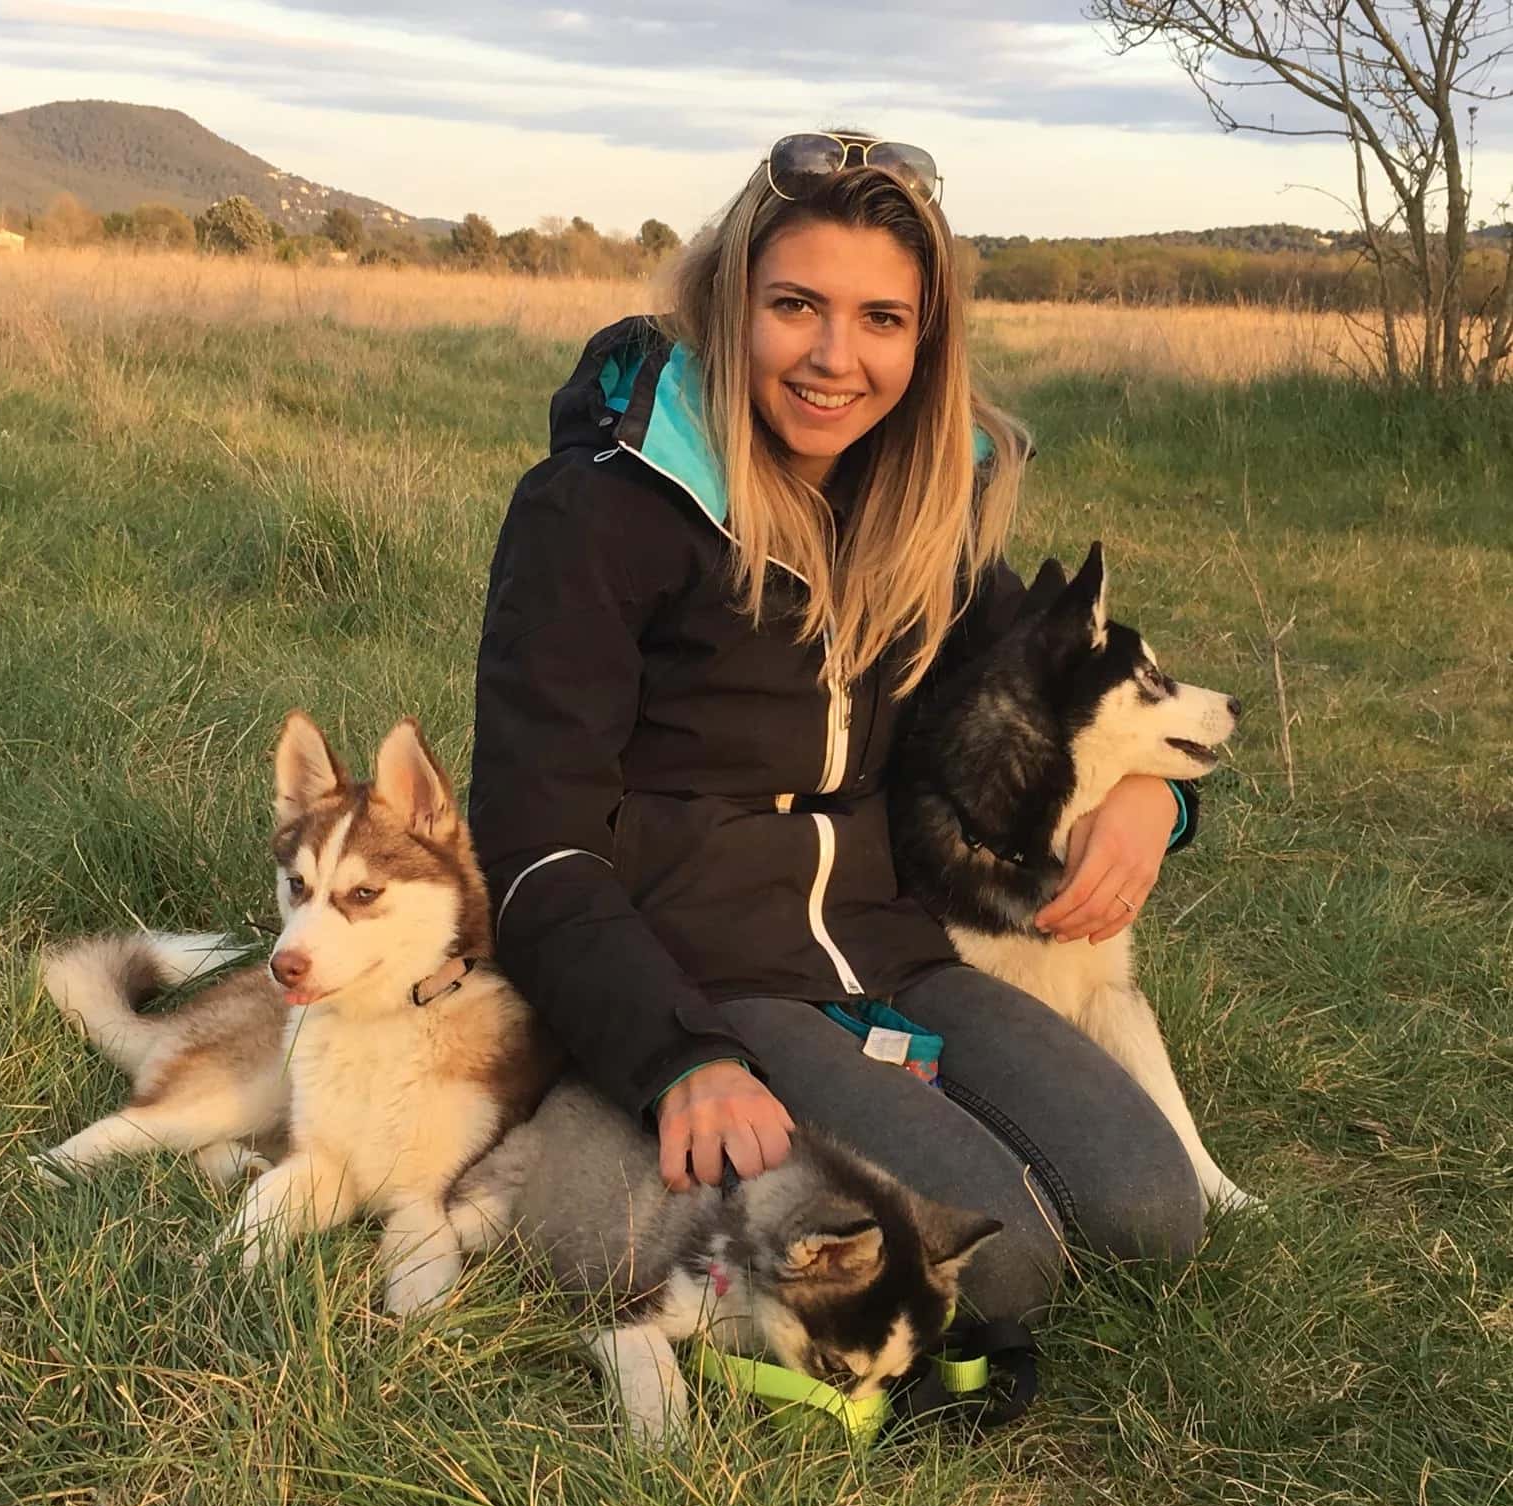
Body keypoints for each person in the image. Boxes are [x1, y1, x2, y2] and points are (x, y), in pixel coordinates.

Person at [468, 132, 1204, 1320]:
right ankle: (592, 1106)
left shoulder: (917, 504)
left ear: (925, 339)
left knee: (1145, 1213)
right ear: (729, 301)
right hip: (693, 961)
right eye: (795, 306)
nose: (833, 357)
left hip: (885, 945)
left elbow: (1043, 694)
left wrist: (1150, 798)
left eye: (880, 319)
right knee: (1001, 1261)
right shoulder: (602, 510)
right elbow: (531, 836)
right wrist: (681, 1055)